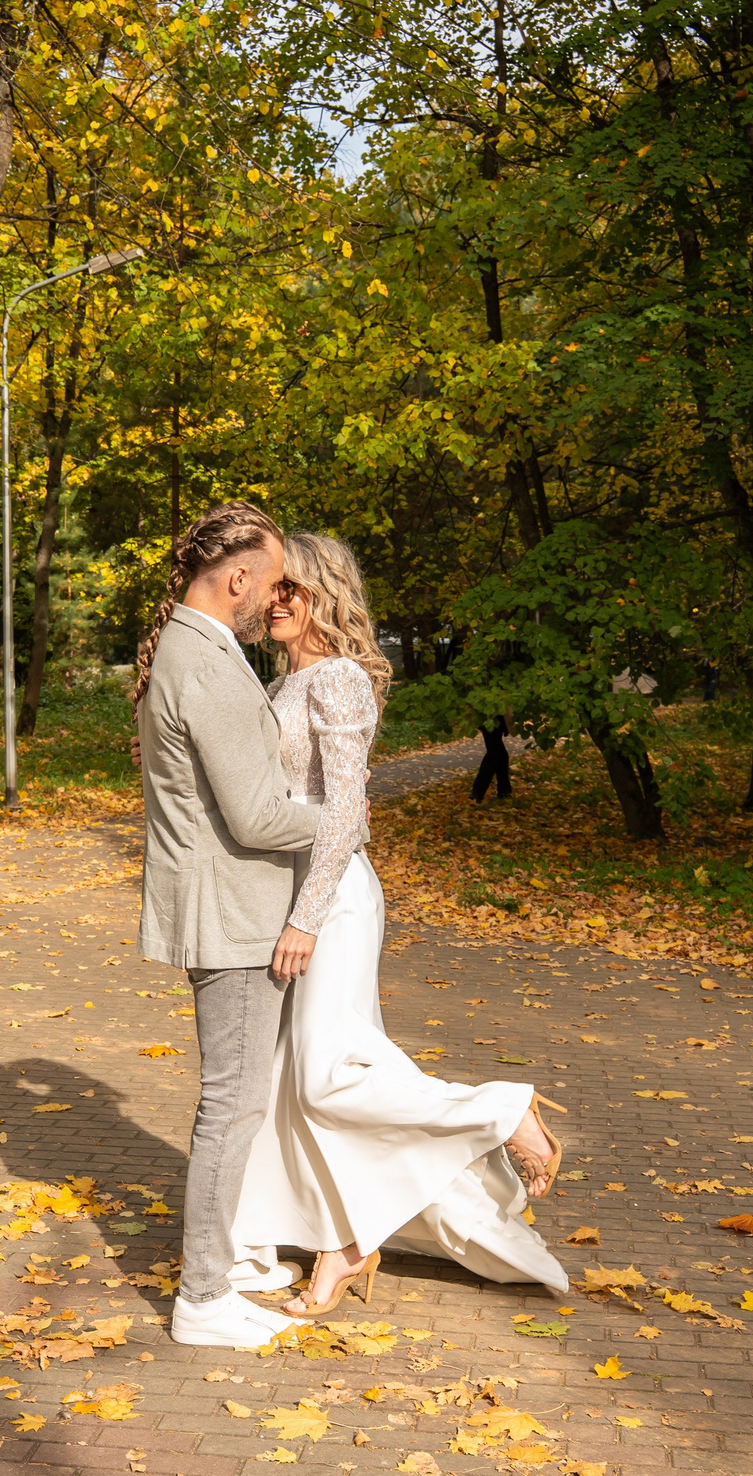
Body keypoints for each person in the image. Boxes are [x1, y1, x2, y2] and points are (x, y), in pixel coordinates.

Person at [231, 533, 569, 1316]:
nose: (277, 600)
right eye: (274, 588)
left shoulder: (340, 678)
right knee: (295, 1086)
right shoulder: (284, 681)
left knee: (326, 1075)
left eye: (293, 588)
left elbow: (345, 810)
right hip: (286, 894)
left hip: (331, 897)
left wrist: (307, 915)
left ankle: (502, 1111)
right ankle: (340, 1242)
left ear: (326, 593)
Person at [133, 503, 330, 1349]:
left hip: (228, 906)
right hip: (235, 914)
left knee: (238, 1100)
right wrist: (342, 818)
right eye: (273, 581)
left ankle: (229, 1262)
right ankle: (203, 1296)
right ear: (238, 578)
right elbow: (255, 816)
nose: (276, 599)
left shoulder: (196, 648)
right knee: (232, 1105)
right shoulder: (208, 664)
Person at [471, 715, 513, 802]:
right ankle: (477, 792)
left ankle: (504, 790)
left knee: (500, 754)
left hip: (489, 715)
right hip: (494, 715)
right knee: (494, 754)